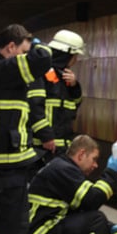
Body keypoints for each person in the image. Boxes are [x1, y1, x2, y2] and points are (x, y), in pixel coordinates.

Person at [0, 24, 53, 234]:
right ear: (11, 47)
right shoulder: (1, 70)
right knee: (15, 230)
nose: (25, 58)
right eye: (23, 53)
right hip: (7, 163)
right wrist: (38, 45)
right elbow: (43, 58)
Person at [28, 134, 117, 234]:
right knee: (96, 220)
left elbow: (80, 209)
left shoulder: (62, 167)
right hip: (42, 233)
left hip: (44, 231)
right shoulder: (64, 169)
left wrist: (109, 227)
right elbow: (92, 199)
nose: (96, 165)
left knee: (97, 221)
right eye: (94, 159)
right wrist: (112, 173)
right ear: (81, 154)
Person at [32, 29, 84, 162]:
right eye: (75, 56)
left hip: (61, 146)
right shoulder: (42, 73)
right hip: (42, 147)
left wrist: (74, 86)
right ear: (66, 54)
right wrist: (46, 136)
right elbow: (35, 107)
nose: (76, 60)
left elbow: (74, 104)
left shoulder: (63, 76)